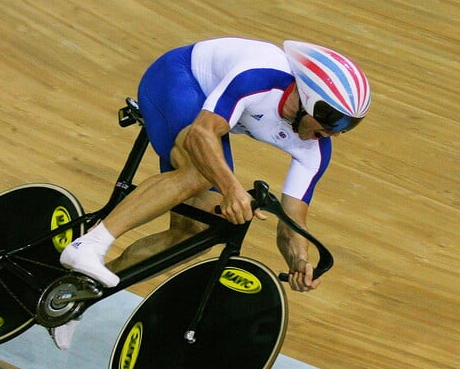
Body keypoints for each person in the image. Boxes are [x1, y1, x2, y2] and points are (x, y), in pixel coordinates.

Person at [52, 37, 371, 349]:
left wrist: (299, 261)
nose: (335, 132)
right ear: (306, 96)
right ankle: (89, 245)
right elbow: (201, 135)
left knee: (195, 234)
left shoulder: (316, 148)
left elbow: (291, 223)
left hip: (210, 114)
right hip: (178, 79)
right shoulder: (261, 76)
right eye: (334, 118)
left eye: (348, 126)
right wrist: (232, 189)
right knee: (197, 173)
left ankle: (77, 296)